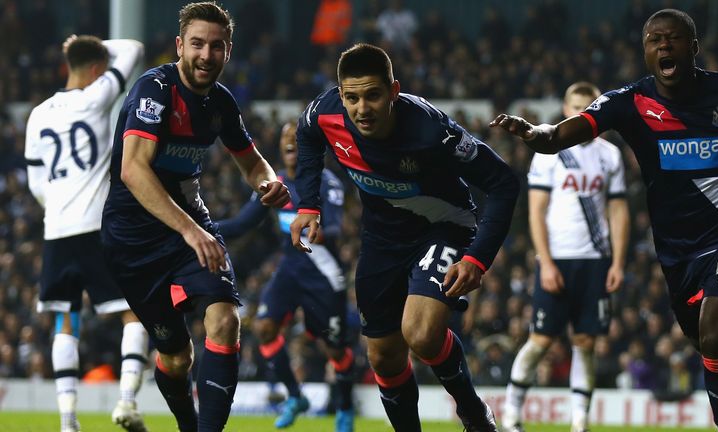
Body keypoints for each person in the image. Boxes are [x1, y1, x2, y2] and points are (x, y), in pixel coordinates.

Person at [491, 9, 718, 432]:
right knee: (713, 348)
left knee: (713, 336)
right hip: (678, 254)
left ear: (693, 47)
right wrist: (534, 133)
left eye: (673, 39)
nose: (664, 46)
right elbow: (564, 133)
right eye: (654, 40)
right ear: (644, 51)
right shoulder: (629, 102)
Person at [290, 43, 520, 432]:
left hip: (445, 225)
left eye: (373, 95)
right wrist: (307, 204)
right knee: (383, 356)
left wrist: (477, 258)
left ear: (394, 91)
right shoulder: (324, 112)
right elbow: (306, 135)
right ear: (341, 94)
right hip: (381, 238)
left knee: (422, 334)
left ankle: (473, 411)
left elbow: (502, 183)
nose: (362, 108)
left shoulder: (431, 130)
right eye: (352, 97)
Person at [100, 2, 290, 432]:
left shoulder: (220, 103)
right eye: (198, 44)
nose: (207, 55)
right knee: (176, 357)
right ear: (180, 46)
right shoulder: (155, 89)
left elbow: (253, 161)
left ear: (228, 50)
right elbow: (133, 169)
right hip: (134, 241)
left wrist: (268, 182)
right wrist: (191, 230)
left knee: (224, 319)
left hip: (190, 234)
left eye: (217, 46)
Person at [24, 34, 148, 432]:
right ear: (96, 69)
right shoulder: (97, 96)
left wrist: (59, 206)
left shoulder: (38, 114)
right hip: (96, 227)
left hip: (56, 230)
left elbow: (36, 185)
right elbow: (133, 49)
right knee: (133, 313)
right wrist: (95, 47)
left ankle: (67, 421)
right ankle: (127, 401)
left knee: (65, 320)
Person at [500, 82, 630, 432]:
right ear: (564, 108)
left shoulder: (610, 155)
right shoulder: (548, 152)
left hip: (595, 261)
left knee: (585, 342)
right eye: (575, 107)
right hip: (557, 258)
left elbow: (618, 211)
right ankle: (511, 412)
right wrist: (545, 261)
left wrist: (617, 262)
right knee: (540, 340)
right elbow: (536, 212)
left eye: (587, 108)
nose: (580, 114)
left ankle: (579, 422)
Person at [217, 122, 356, 431]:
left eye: (297, 137)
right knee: (264, 329)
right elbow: (241, 224)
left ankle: (345, 408)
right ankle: (295, 396)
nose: (290, 142)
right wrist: (200, 226)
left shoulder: (325, 183)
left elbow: (332, 229)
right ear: (280, 147)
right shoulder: (275, 184)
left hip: (324, 276)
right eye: (285, 138)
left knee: (334, 348)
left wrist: (305, 222)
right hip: (290, 272)